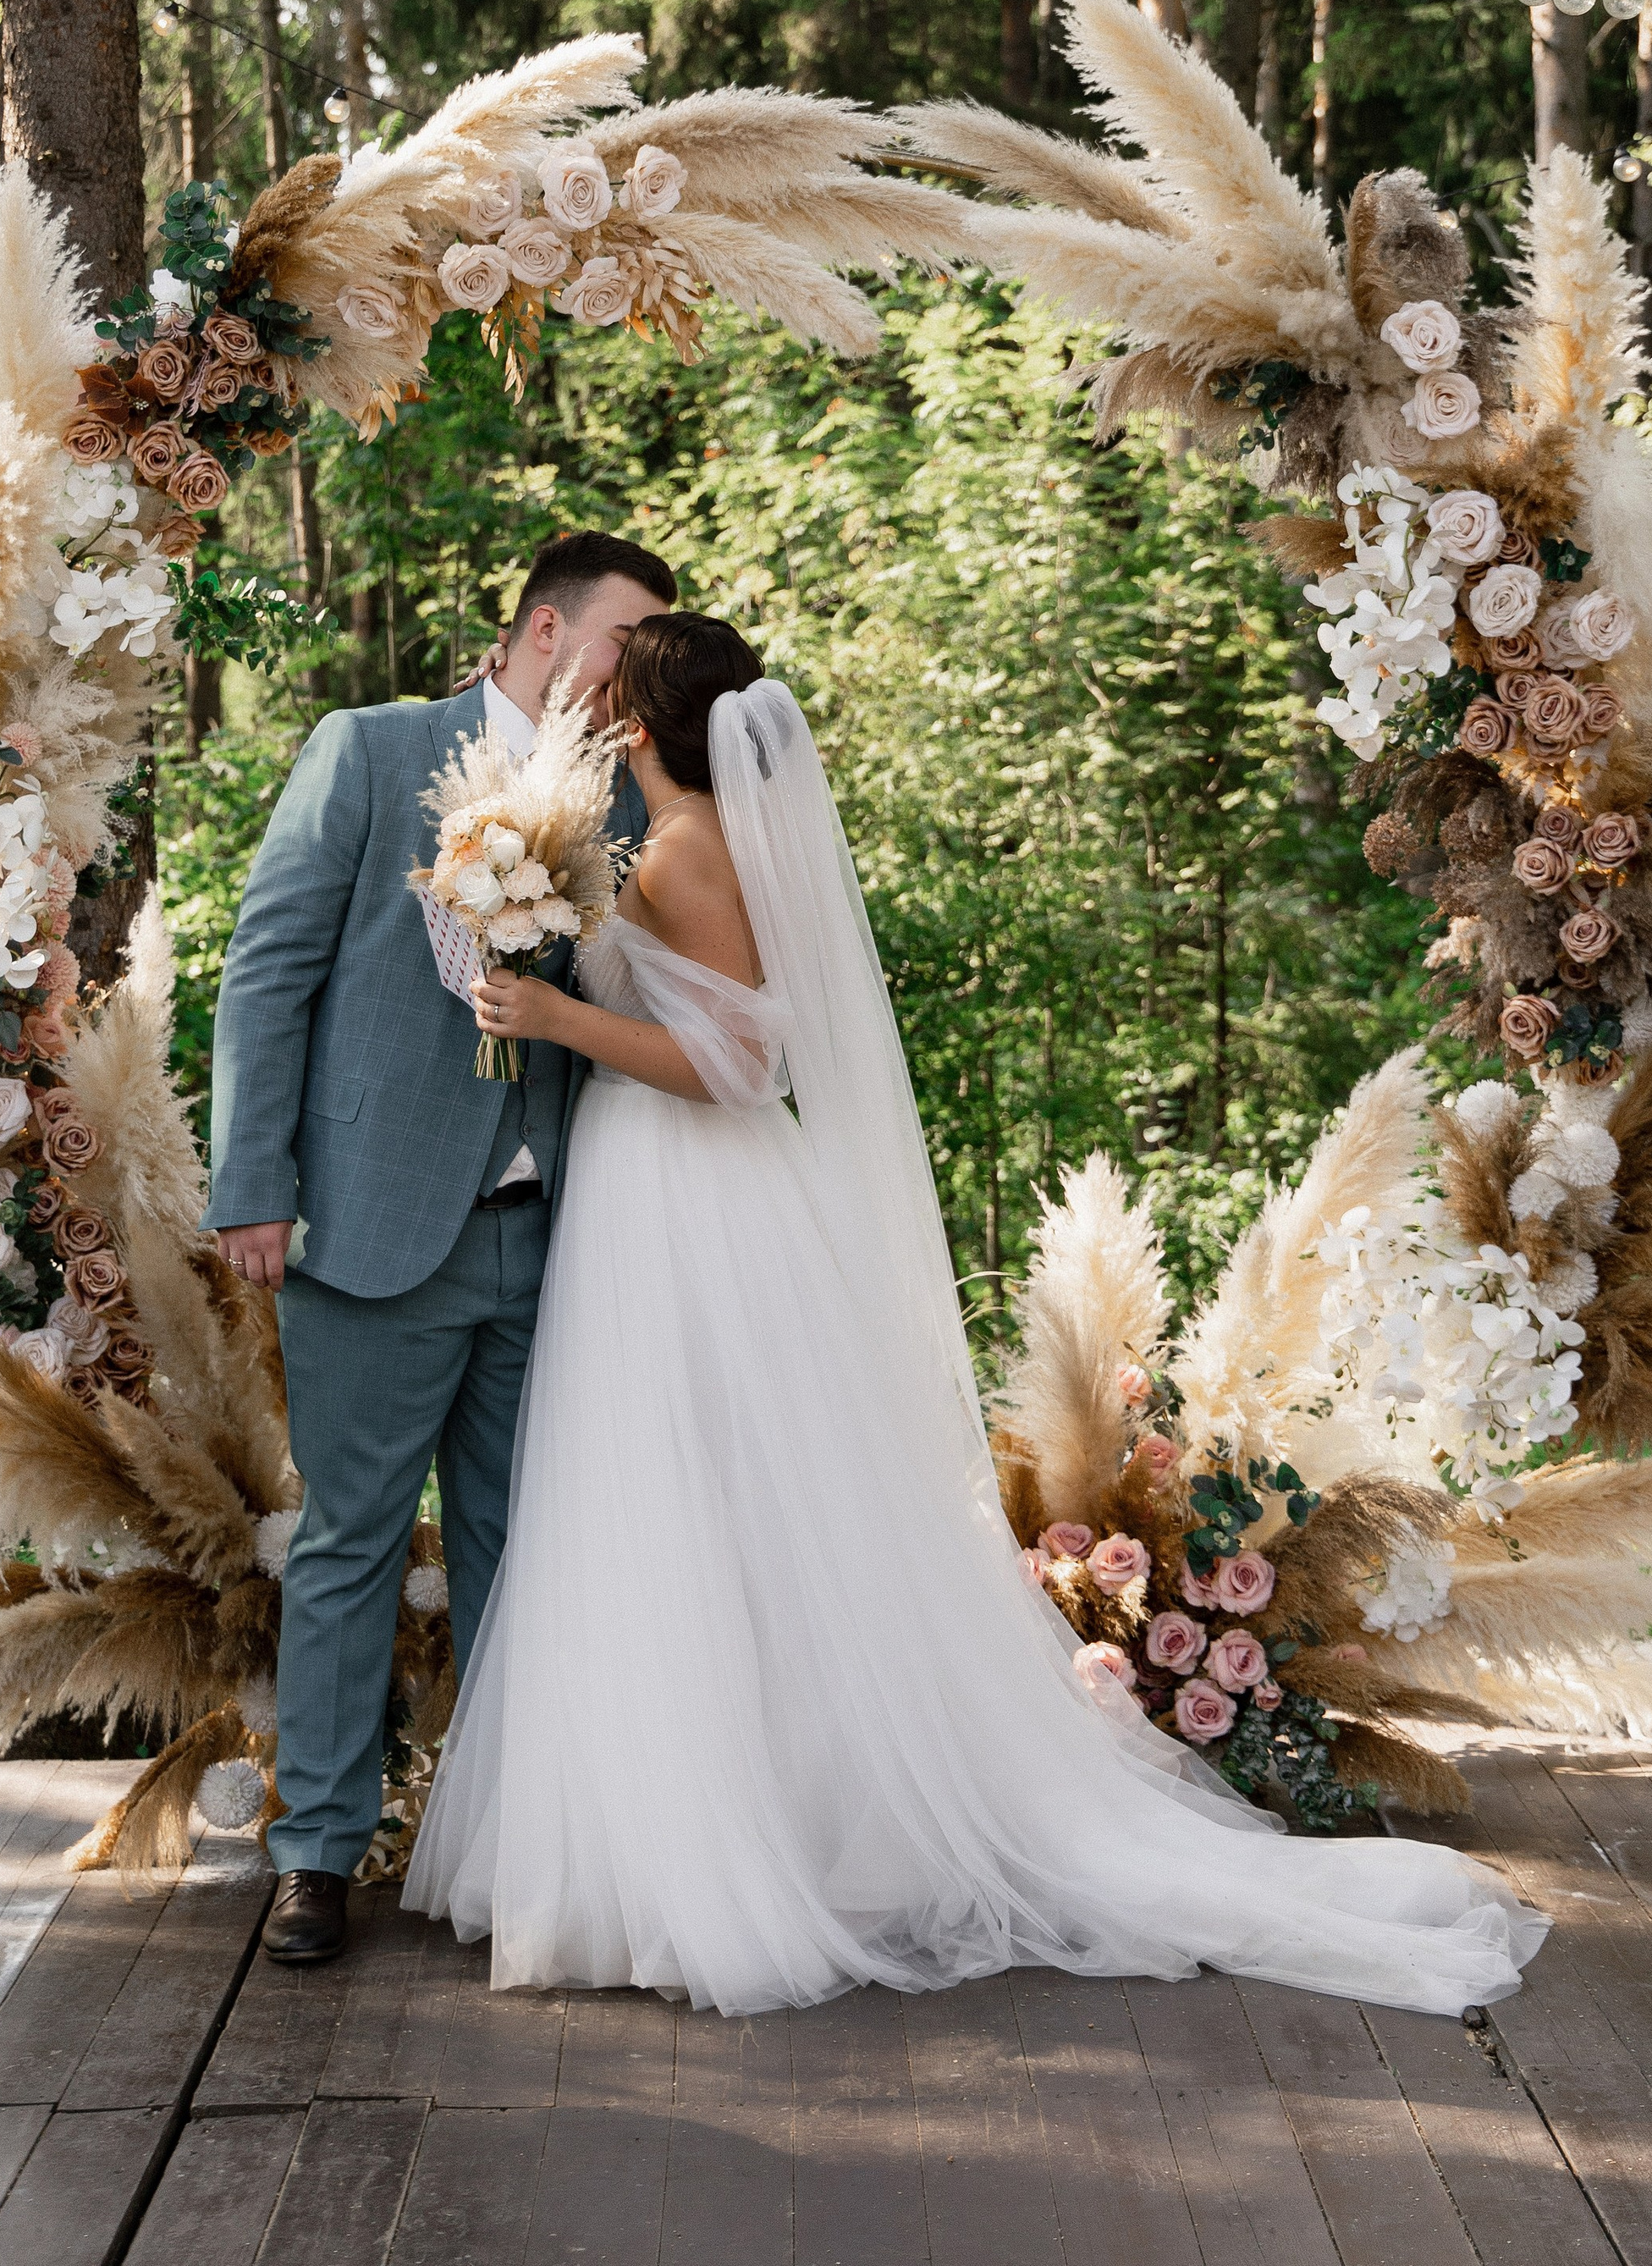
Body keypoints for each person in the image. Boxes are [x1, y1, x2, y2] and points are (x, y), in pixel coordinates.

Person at [405, 617, 1548, 2020]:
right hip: (655, 1198)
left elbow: (746, 1064)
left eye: (617, 685)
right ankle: (706, 1825)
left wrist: (559, 1018)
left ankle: (715, 1857)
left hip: (694, 1195)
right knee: (689, 1504)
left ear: (638, 729)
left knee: (690, 1498)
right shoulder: (669, 845)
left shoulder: (693, 848)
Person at [206, 529, 673, 1966]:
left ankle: (513, 1852)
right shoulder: (370, 751)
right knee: (348, 1547)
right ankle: (319, 1857)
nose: (638, 675)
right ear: (544, 633)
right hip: (367, 1230)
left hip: (558, 1244)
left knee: (525, 1553)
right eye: (624, 644)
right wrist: (252, 1186)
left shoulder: (641, 809)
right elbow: (268, 970)